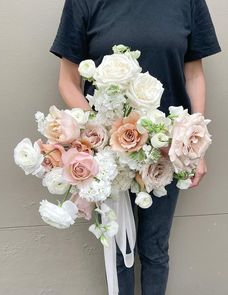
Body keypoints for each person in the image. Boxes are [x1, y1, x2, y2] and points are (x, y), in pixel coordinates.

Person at [49, 0, 222, 294]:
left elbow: (193, 74)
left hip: (165, 152)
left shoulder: (188, 3)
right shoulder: (84, 3)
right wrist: (103, 131)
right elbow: (68, 81)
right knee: (118, 250)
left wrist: (194, 145)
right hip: (108, 156)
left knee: (155, 249)